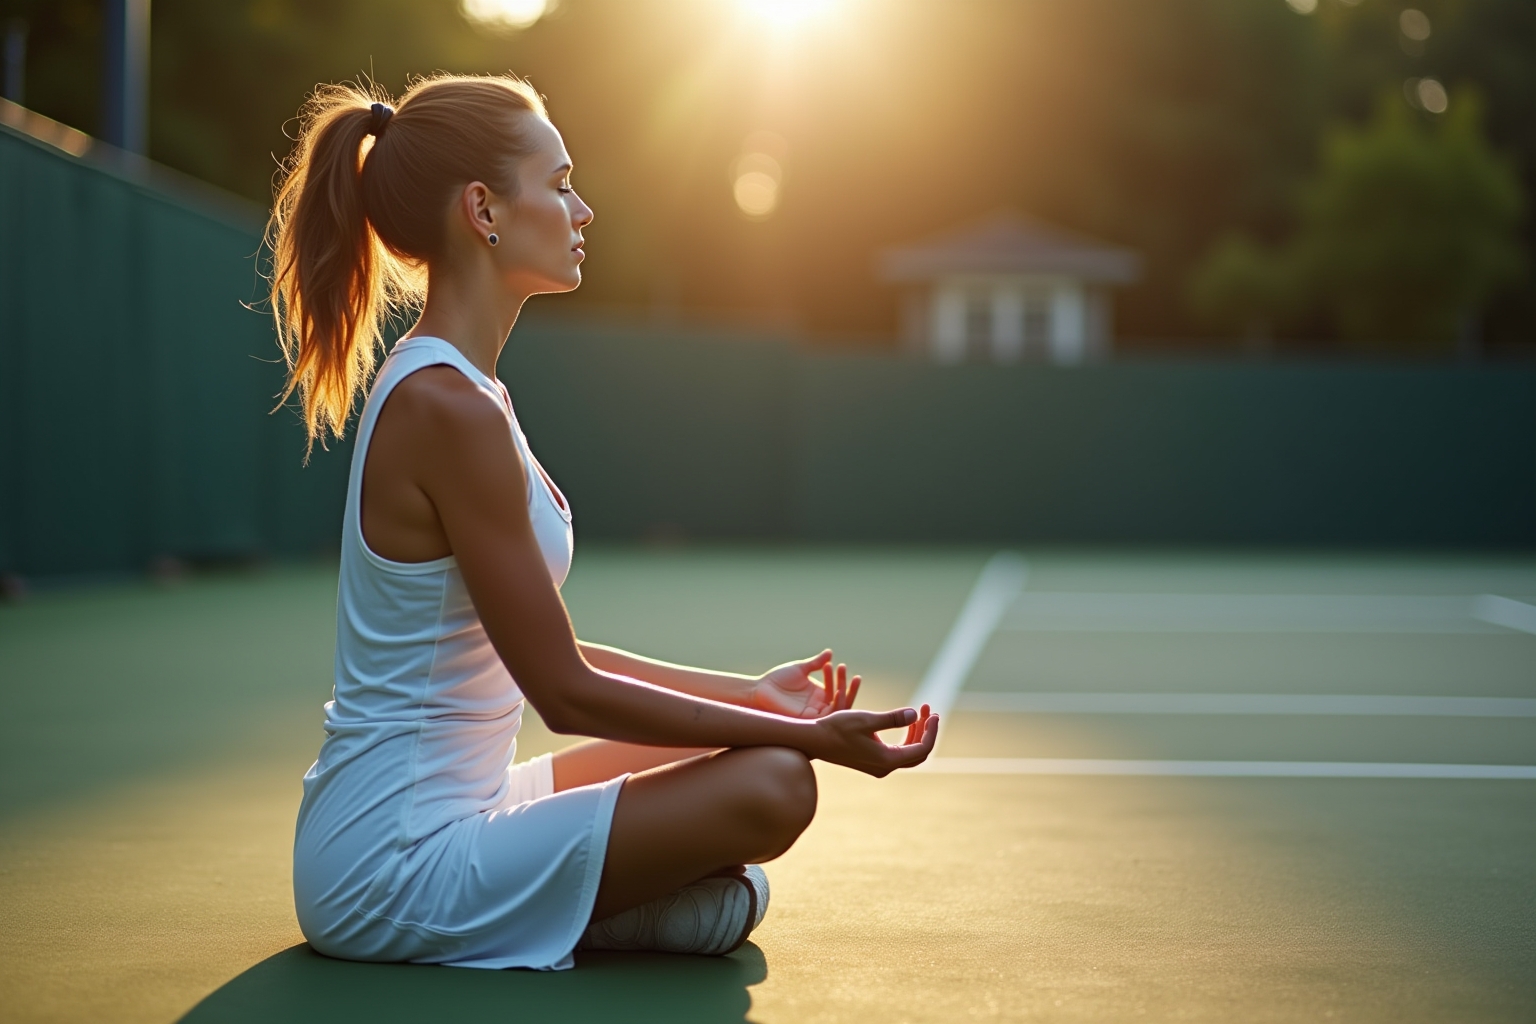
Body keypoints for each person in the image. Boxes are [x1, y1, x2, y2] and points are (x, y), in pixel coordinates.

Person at [268, 73, 938, 972]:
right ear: (484, 210)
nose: (582, 210)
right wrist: (801, 734)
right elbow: (565, 694)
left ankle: (583, 904)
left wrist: (754, 698)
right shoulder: (448, 410)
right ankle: (587, 913)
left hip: (462, 807)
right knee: (777, 780)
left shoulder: (472, 393)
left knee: (756, 757)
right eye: (559, 183)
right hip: (390, 866)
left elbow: (558, 655)